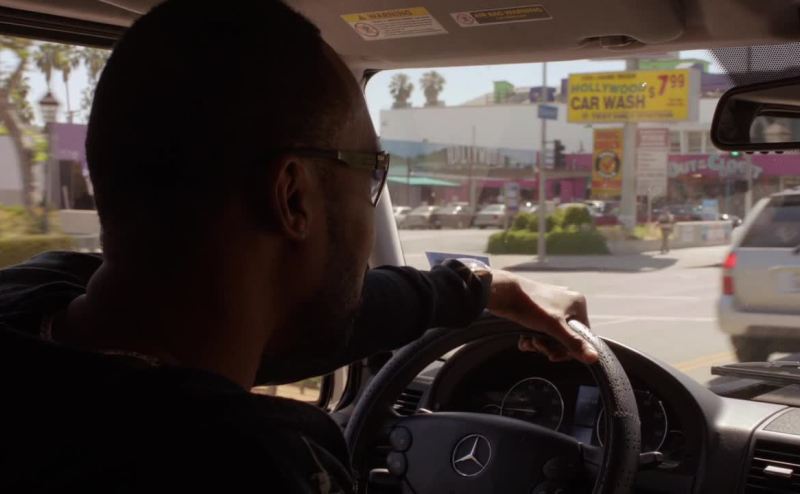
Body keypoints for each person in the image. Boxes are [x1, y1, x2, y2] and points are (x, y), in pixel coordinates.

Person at [0, 1, 597, 492]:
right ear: (292, 197)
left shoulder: (38, 291)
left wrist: (487, 288)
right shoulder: (237, 463)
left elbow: (316, 312)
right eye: (370, 170)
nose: (372, 194)